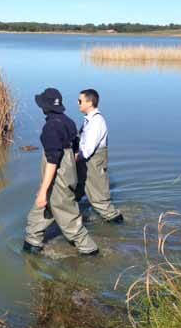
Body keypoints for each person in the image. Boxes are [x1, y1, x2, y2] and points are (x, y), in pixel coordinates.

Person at [23, 88, 99, 256]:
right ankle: (31, 245)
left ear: (45, 107)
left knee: (70, 222)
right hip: (66, 174)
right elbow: (76, 150)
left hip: (58, 178)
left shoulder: (51, 127)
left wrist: (43, 191)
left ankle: (92, 252)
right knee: (37, 216)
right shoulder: (68, 121)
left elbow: (52, 161)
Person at [75, 89, 123, 223]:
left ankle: (119, 226)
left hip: (93, 164)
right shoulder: (89, 120)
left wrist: (72, 158)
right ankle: (74, 219)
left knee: (100, 202)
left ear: (89, 103)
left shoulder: (96, 122)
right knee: (75, 192)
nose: (77, 103)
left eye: (80, 101)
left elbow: (88, 150)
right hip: (86, 163)